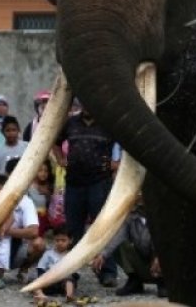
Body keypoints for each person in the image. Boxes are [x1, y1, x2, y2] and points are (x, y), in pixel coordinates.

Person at [53, 106, 118, 287]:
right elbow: (55, 141)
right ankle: (71, 272)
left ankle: (107, 272)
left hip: (99, 182)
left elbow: (126, 144)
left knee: (101, 226)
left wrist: (117, 163)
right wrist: (60, 158)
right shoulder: (71, 122)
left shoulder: (108, 123)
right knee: (73, 228)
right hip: (74, 182)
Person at [91, 197, 167, 298]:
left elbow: (166, 241)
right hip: (145, 262)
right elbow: (117, 237)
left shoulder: (163, 215)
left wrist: (159, 257)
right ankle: (134, 279)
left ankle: (163, 282)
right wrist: (102, 255)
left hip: (161, 263)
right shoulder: (131, 216)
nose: (140, 197)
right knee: (122, 244)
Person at [33, 224, 81, 304]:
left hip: (63, 283)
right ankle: (41, 296)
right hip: (49, 282)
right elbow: (40, 268)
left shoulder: (72, 255)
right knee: (35, 282)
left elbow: (76, 274)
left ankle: (69, 295)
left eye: (63, 240)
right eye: (57, 240)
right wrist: (43, 278)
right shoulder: (48, 254)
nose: (60, 243)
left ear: (70, 240)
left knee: (69, 280)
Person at [27, 160, 53, 236]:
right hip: (33, 218)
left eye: (46, 171)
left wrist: (48, 194)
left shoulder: (49, 187)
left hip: (44, 218)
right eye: (40, 170)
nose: (43, 174)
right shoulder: (29, 186)